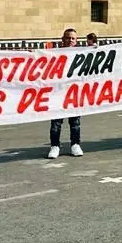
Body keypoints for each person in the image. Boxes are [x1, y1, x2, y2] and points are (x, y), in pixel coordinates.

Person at [47, 28, 84, 159]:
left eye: (73, 38)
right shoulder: (54, 54)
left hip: (74, 93)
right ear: (62, 39)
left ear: (77, 40)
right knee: (56, 123)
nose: (70, 40)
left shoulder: (82, 54)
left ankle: (75, 144)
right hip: (57, 93)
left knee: (75, 122)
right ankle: (55, 146)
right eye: (68, 38)